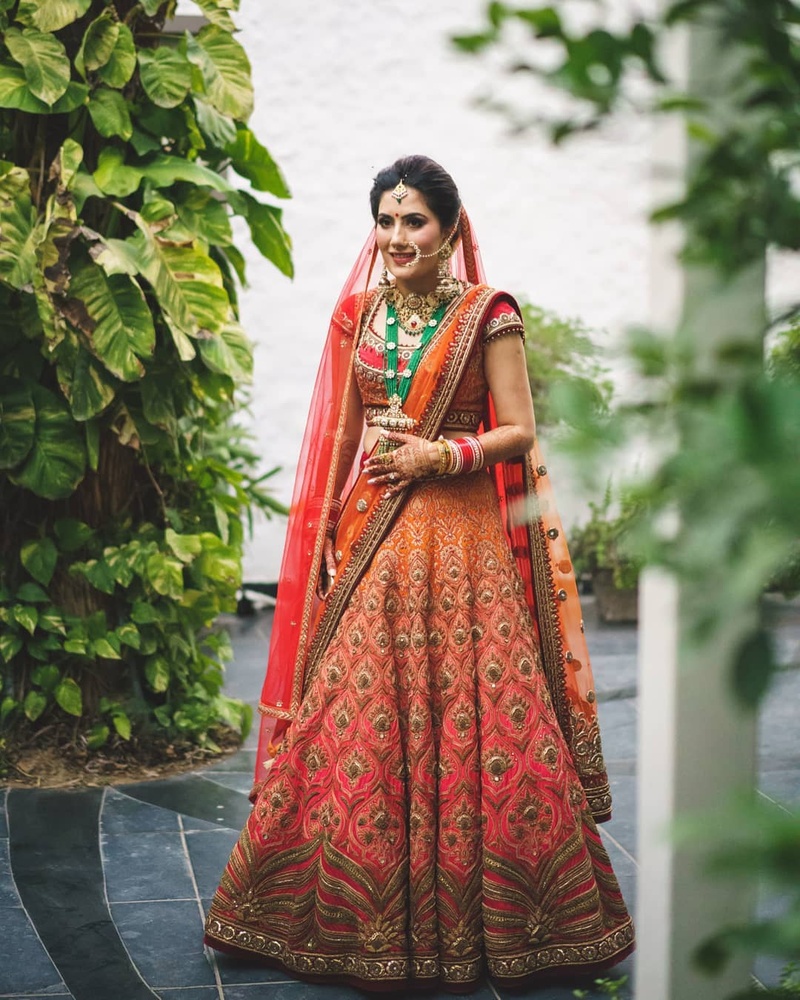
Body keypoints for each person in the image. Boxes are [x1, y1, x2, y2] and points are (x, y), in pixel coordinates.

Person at [204, 155, 634, 993]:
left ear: (449, 228)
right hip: (376, 537)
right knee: (358, 708)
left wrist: (442, 452)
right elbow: (341, 434)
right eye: (386, 220)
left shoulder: (488, 315)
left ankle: (511, 923)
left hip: (463, 535)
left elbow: (519, 431)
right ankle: (337, 919)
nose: (397, 237)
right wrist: (326, 525)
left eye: (415, 222)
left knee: (478, 717)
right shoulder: (357, 316)